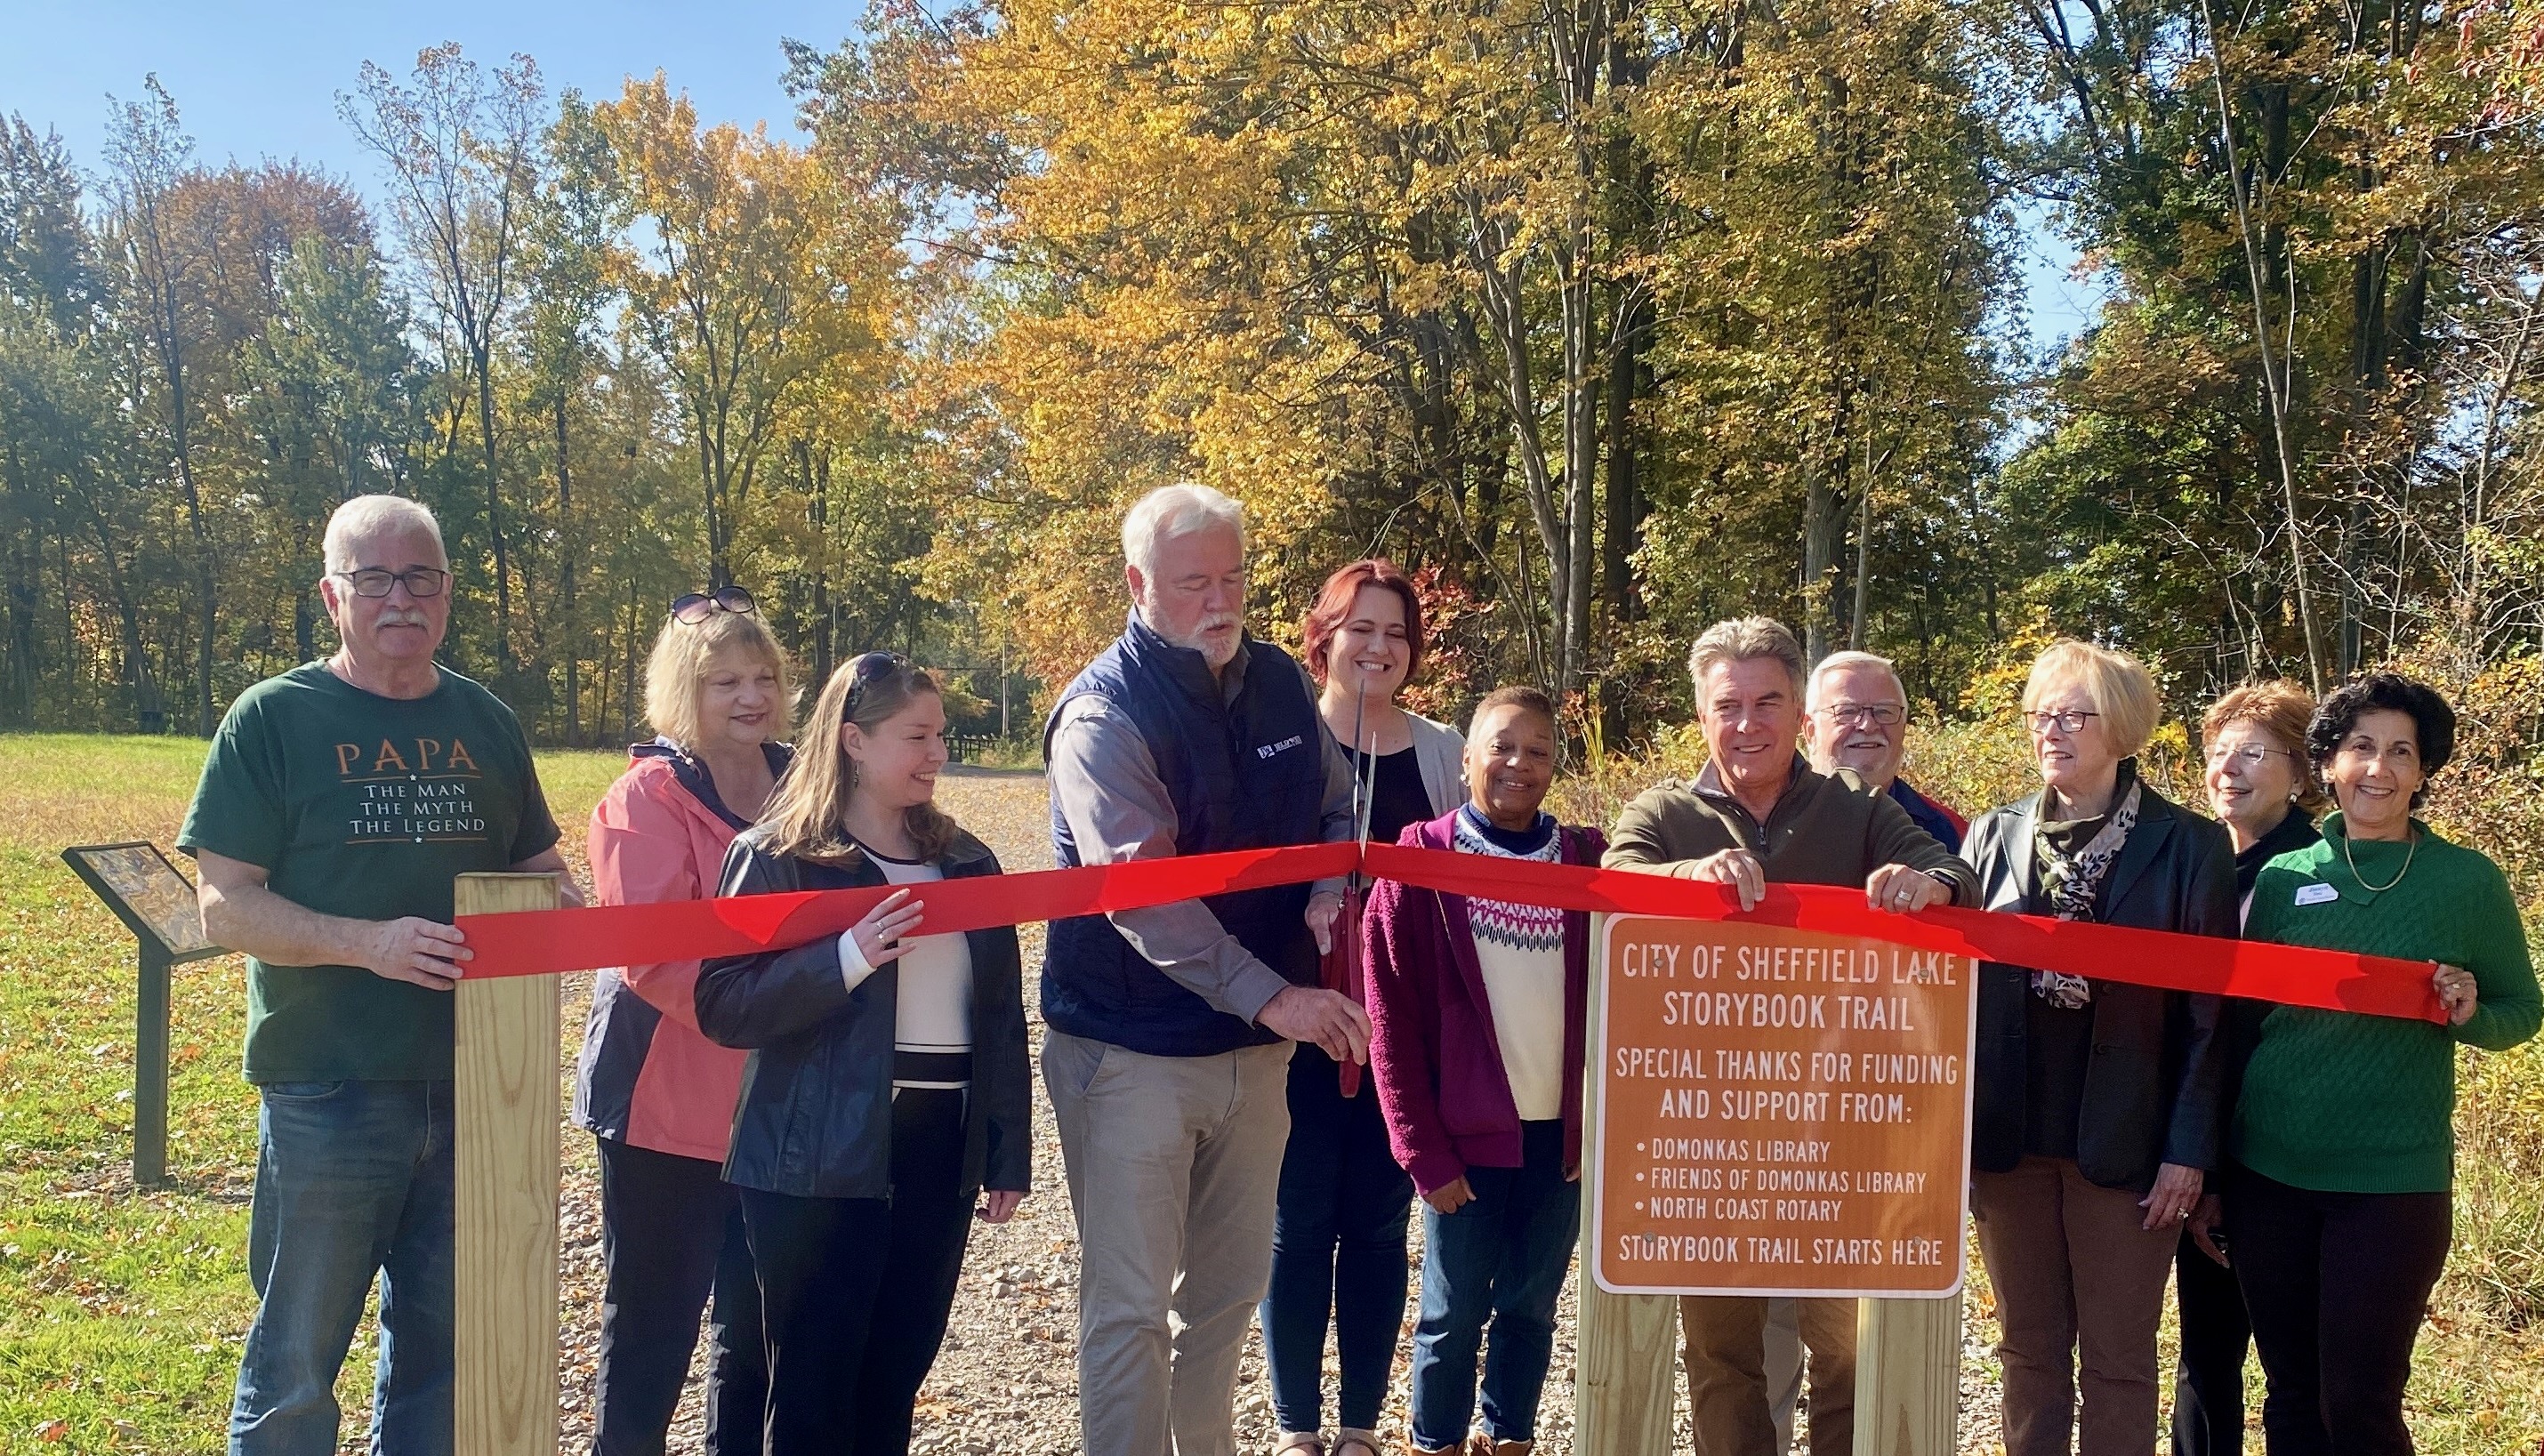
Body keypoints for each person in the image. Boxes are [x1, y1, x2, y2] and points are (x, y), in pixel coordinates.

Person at [179, 495, 579, 1456]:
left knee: (446, 1358)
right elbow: (224, 904)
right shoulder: (273, 718)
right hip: (330, 1086)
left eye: (421, 576)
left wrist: (567, 910)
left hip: (479, 1087)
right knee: (295, 1366)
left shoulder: (486, 719)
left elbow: (541, 873)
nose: (401, 597)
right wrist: (369, 943)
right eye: (375, 578)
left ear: (448, 590)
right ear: (333, 595)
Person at [1041, 483, 1373, 1456]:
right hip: (1129, 1049)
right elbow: (1141, 894)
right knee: (1131, 1308)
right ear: (1137, 583)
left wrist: (1328, 883)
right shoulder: (1102, 714)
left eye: (1233, 577)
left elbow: (1338, 803)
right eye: (1194, 583)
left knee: (1227, 1295)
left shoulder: (1280, 681)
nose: (1220, 601)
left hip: (1256, 1052)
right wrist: (1277, 998)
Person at [1603, 616, 1975, 1456]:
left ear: (1800, 710)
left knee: (1845, 1352)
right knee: (1722, 1354)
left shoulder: (1856, 805)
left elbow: (1955, 870)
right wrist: (1686, 878)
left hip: (1838, 1132)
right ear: (1701, 714)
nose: (1748, 723)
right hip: (1709, 1136)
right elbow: (1616, 879)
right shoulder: (1662, 811)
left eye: (1767, 701)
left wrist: (1927, 884)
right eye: (1727, 705)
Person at [693, 655, 1032, 1455]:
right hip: (813, 1154)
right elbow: (723, 1002)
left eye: (940, 734)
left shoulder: (970, 860)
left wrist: (1005, 1148)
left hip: (939, 1148)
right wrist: (844, 958)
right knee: (812, 1392)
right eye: (917, 736)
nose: (937, 752)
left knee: (893, 1378)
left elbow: (1001, 1016)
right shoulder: (774, 854)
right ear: (853, 739)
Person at [2228, 672, 2540, 1456]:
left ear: (2424, 769)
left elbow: (2522, 1010)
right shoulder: (2284, 878)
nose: (2379, 767)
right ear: (2328, 762)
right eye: (2361, 746)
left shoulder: (2466, 882)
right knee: (2291, 1394)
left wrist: (2470, 1010)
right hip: (2269, 1174)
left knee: (2360, 1401)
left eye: (2402, 751)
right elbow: (2244, 1022)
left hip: (2392, 1184)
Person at [1962, 640, 2234, 1456]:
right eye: (2041, 714)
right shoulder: (1993, 833)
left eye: (2072, 715)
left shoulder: (2189, 843)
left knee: (2118, 1361)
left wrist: (2188, 1151)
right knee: (2028, 1350)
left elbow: (2209, 1014)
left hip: (2129, 1145)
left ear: (2120, 726)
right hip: (2009, 1141)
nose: (2051, 730)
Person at [572, 587, 793, 1456]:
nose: (751, 696)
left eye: (763, 676)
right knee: (651, 1332)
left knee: (759, 1334)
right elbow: (656, 959)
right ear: (682, 691)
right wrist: (793, 996)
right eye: (724, 681)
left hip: (779, 1107)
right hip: (663, 1110)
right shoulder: (644, 798)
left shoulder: (809, 783)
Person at [1363, 687, 1605, 1456]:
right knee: (1452, 1313)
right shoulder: (1418, 867)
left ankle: (1509, 1437)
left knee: (1531, 1308)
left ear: (1555, 767)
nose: (1518, 764)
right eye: (1501, 746)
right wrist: (1420, 1151)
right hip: (1463, 1141)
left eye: (1538, 751)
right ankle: (1434, 1439)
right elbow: (1390, 1024)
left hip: (1560, 1141)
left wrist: (1596, 1128)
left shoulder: (1589, 863)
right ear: (1466, 756)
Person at [1261, 559, 1464, 1456]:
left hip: (1401, 1032)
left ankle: (1358, 1427)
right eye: (1361, 628)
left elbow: (1472, 879)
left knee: (1380, 1227)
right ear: (1325, 638)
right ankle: (1296, 1425)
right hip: (1292, 1024)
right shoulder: (1280, 743)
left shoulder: (1445, 751)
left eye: (1396, 632)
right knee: (1298, 1221)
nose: (1379, 647)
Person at [1785, 648, 1965, 1452]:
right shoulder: (1760, 810)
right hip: (1758, 1114)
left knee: (1855, 1345)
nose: (1867, 726)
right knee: (1760, 1341)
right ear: (1809, 726)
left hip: (1889, 1125)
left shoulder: (1949, 832)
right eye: (1847, 711)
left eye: (1883, 712)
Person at [2170, 680, 2321, 1456]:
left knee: (2296, 1364)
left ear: (2300, 769)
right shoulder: (2193, 856)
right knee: (2205, 1352)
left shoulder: (2318, 872)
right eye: (2219, 751)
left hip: (2279, 1150)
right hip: (2195, 1135)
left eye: (2253, 752)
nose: (2228, 768)